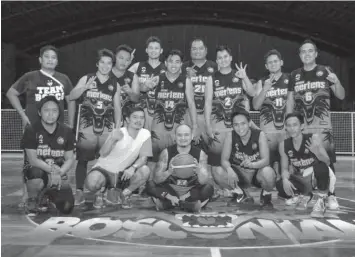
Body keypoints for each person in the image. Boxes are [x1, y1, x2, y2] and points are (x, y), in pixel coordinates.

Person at [6, 45, 75, 207]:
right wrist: (23, 115)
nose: (50, 60)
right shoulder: (30, 76)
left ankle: (52, 191)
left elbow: (70, 100)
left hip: (56, 128)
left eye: (53, 57)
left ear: (57, 61)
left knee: (57, 159)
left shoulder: (63, 78)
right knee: (30, 163)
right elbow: (11, 93)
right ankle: (27, 194)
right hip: (35, 128)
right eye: (47, 57)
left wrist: (70, 123)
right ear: (40, 60)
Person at [69, 49, 122, 205]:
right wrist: (84, 88)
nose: (105, 66)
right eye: (103, 62)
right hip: (87, 129)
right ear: (97, 64)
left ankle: (101, 193)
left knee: (105, 161)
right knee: (82, 160)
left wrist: (117, 128)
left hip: (106, 129)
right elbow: (71, 96)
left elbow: (117, 108)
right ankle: (79, 191)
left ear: (112, 65)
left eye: (109, 63)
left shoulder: (114, 84)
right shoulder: (87, 78)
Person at [286, 39, 345, 176]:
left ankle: (330, 194)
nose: (307, 54)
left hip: (322, 128)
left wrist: (337, 82)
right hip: (302, 128)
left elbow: (341, 96)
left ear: (316, 54)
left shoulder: (325, 71)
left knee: (326, 161)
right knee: (304, 162)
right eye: (303, 52)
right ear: (300, 55)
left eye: (310, 51)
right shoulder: (294, 75)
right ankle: (308, 193)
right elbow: (289, 101)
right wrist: (288, 124)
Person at [204, 45, 256, 195]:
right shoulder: (211, 79)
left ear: (231, 58)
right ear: (216, 60)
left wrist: (244, 76)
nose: (223, 60)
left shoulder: (238, 75)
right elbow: (207, 102)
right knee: (216, 167)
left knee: (238, 163)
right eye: (220, 58)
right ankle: (233, 190)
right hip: (219, 128)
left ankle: (244, 187)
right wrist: (208, 125)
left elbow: (252, 93)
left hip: (238, 130)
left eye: (225, 56)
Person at [85, 106, 152, 209]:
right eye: (135, 117)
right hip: (105, 170)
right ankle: (100, 193)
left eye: (142, 118)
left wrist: (133, 167)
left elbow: (144, 158)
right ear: (127, 119)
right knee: (92, 182)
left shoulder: (145, 134)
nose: (139, 120)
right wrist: (112, 139)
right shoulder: (118, 132)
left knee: (145, 170)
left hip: (123, 174)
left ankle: (124, 194)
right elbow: (102, 153)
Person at [276, 112, 338, 217]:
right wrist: (285, 179)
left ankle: (324, 197)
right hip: (303, 177)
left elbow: (327, 162)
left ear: (302, 126)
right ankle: (305, 195)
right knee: (280, 184)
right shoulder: (283, 145)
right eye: (289, 125)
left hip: (319, 175)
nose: (292, 128)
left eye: (295, 125)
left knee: (321, 166)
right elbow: (284, 169)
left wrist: (316, 152)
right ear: (285, 127)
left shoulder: (312, 138)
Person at [21, 95, 75, 214]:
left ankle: (48, 196)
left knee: (67, 208)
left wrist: (59, 172)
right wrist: (52, 171)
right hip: (39, 171)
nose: (50, 114)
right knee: (35, 173)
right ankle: (33, 199)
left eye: (54, 110)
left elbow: (70, 159)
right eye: (46, 110)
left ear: (59, 113)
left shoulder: (66, 131)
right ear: (40, 112)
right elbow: (33, 160)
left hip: (58, 174)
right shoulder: (31, 130)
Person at [214, 108, 276, 209]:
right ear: (232, 126)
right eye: (236, 125)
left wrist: (253, 165)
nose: (240, 128)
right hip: (239, 174)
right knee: (218, 171)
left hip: (257, 172)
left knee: (269, 173)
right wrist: (229, 170)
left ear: (249, 123)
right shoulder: (230, 135)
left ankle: (266, 195)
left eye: (243, 123)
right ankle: (240, 193)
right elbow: (224, 160)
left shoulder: (260, 135)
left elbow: (266, 160)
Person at [146, 124, 213, 212]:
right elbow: (156, 180)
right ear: (175, 137)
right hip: (171, 188)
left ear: (192, 136)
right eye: (179, 135)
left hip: (190, 190)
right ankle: (188, 205)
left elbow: (204, 181)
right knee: (150, 185)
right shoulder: (166, 153)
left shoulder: (201, 154)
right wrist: (168, 172)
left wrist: (199, 171)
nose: (183, 138)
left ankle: (168, 204)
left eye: (186, 135)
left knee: (208, 188)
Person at [150, 49, 198, 162]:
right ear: (165, 63)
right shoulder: (158, 79)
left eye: (177, 62)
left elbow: (191, 104)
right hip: (159, 126)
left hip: (179, 125)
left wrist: (195, 126)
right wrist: (145, 85)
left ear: (181, 64)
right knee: (156, 159)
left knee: (177, 159)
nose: (174, 64)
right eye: (171, 61)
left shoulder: (186, 81)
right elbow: (142, 90)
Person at [253, 49, 290, 178]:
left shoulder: (290, 80)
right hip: (268, 133)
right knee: (265, 172)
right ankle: (267, 192)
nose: (273, 64)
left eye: (275, 61)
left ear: (281, 62)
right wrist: (265, 89)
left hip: (286, 132)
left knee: (287, 170)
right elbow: (256, 106)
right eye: (270, 62)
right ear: (266, 66)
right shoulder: (261, 82)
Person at [181, 38, 216, 149]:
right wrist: (185, 76)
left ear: (206, 51)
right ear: (190, 51)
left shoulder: (215, 67)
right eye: (194, 49)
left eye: (200, 48)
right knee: (188, 149)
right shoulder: (182, 67)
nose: (197, 51)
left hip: (211, 115)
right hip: (188, 115)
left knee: (212, 149)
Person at [129, 36, 166, 131]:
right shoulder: (137, 66)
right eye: (151, 48)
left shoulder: (167, 68)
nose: (153, 50)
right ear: (146, 50)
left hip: (160, 112)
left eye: (156, 48)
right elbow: (121, 79)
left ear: (161, 50)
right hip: (141, 113)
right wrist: (127, 63)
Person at [112, 44, 140, 125]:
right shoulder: (105, 73)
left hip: (125, 120)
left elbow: (136, 99)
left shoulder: (133, 76)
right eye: (121, 58)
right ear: (114, 58)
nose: (124, 62)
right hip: (107, 119)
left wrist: (130, 92)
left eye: (127, 60)